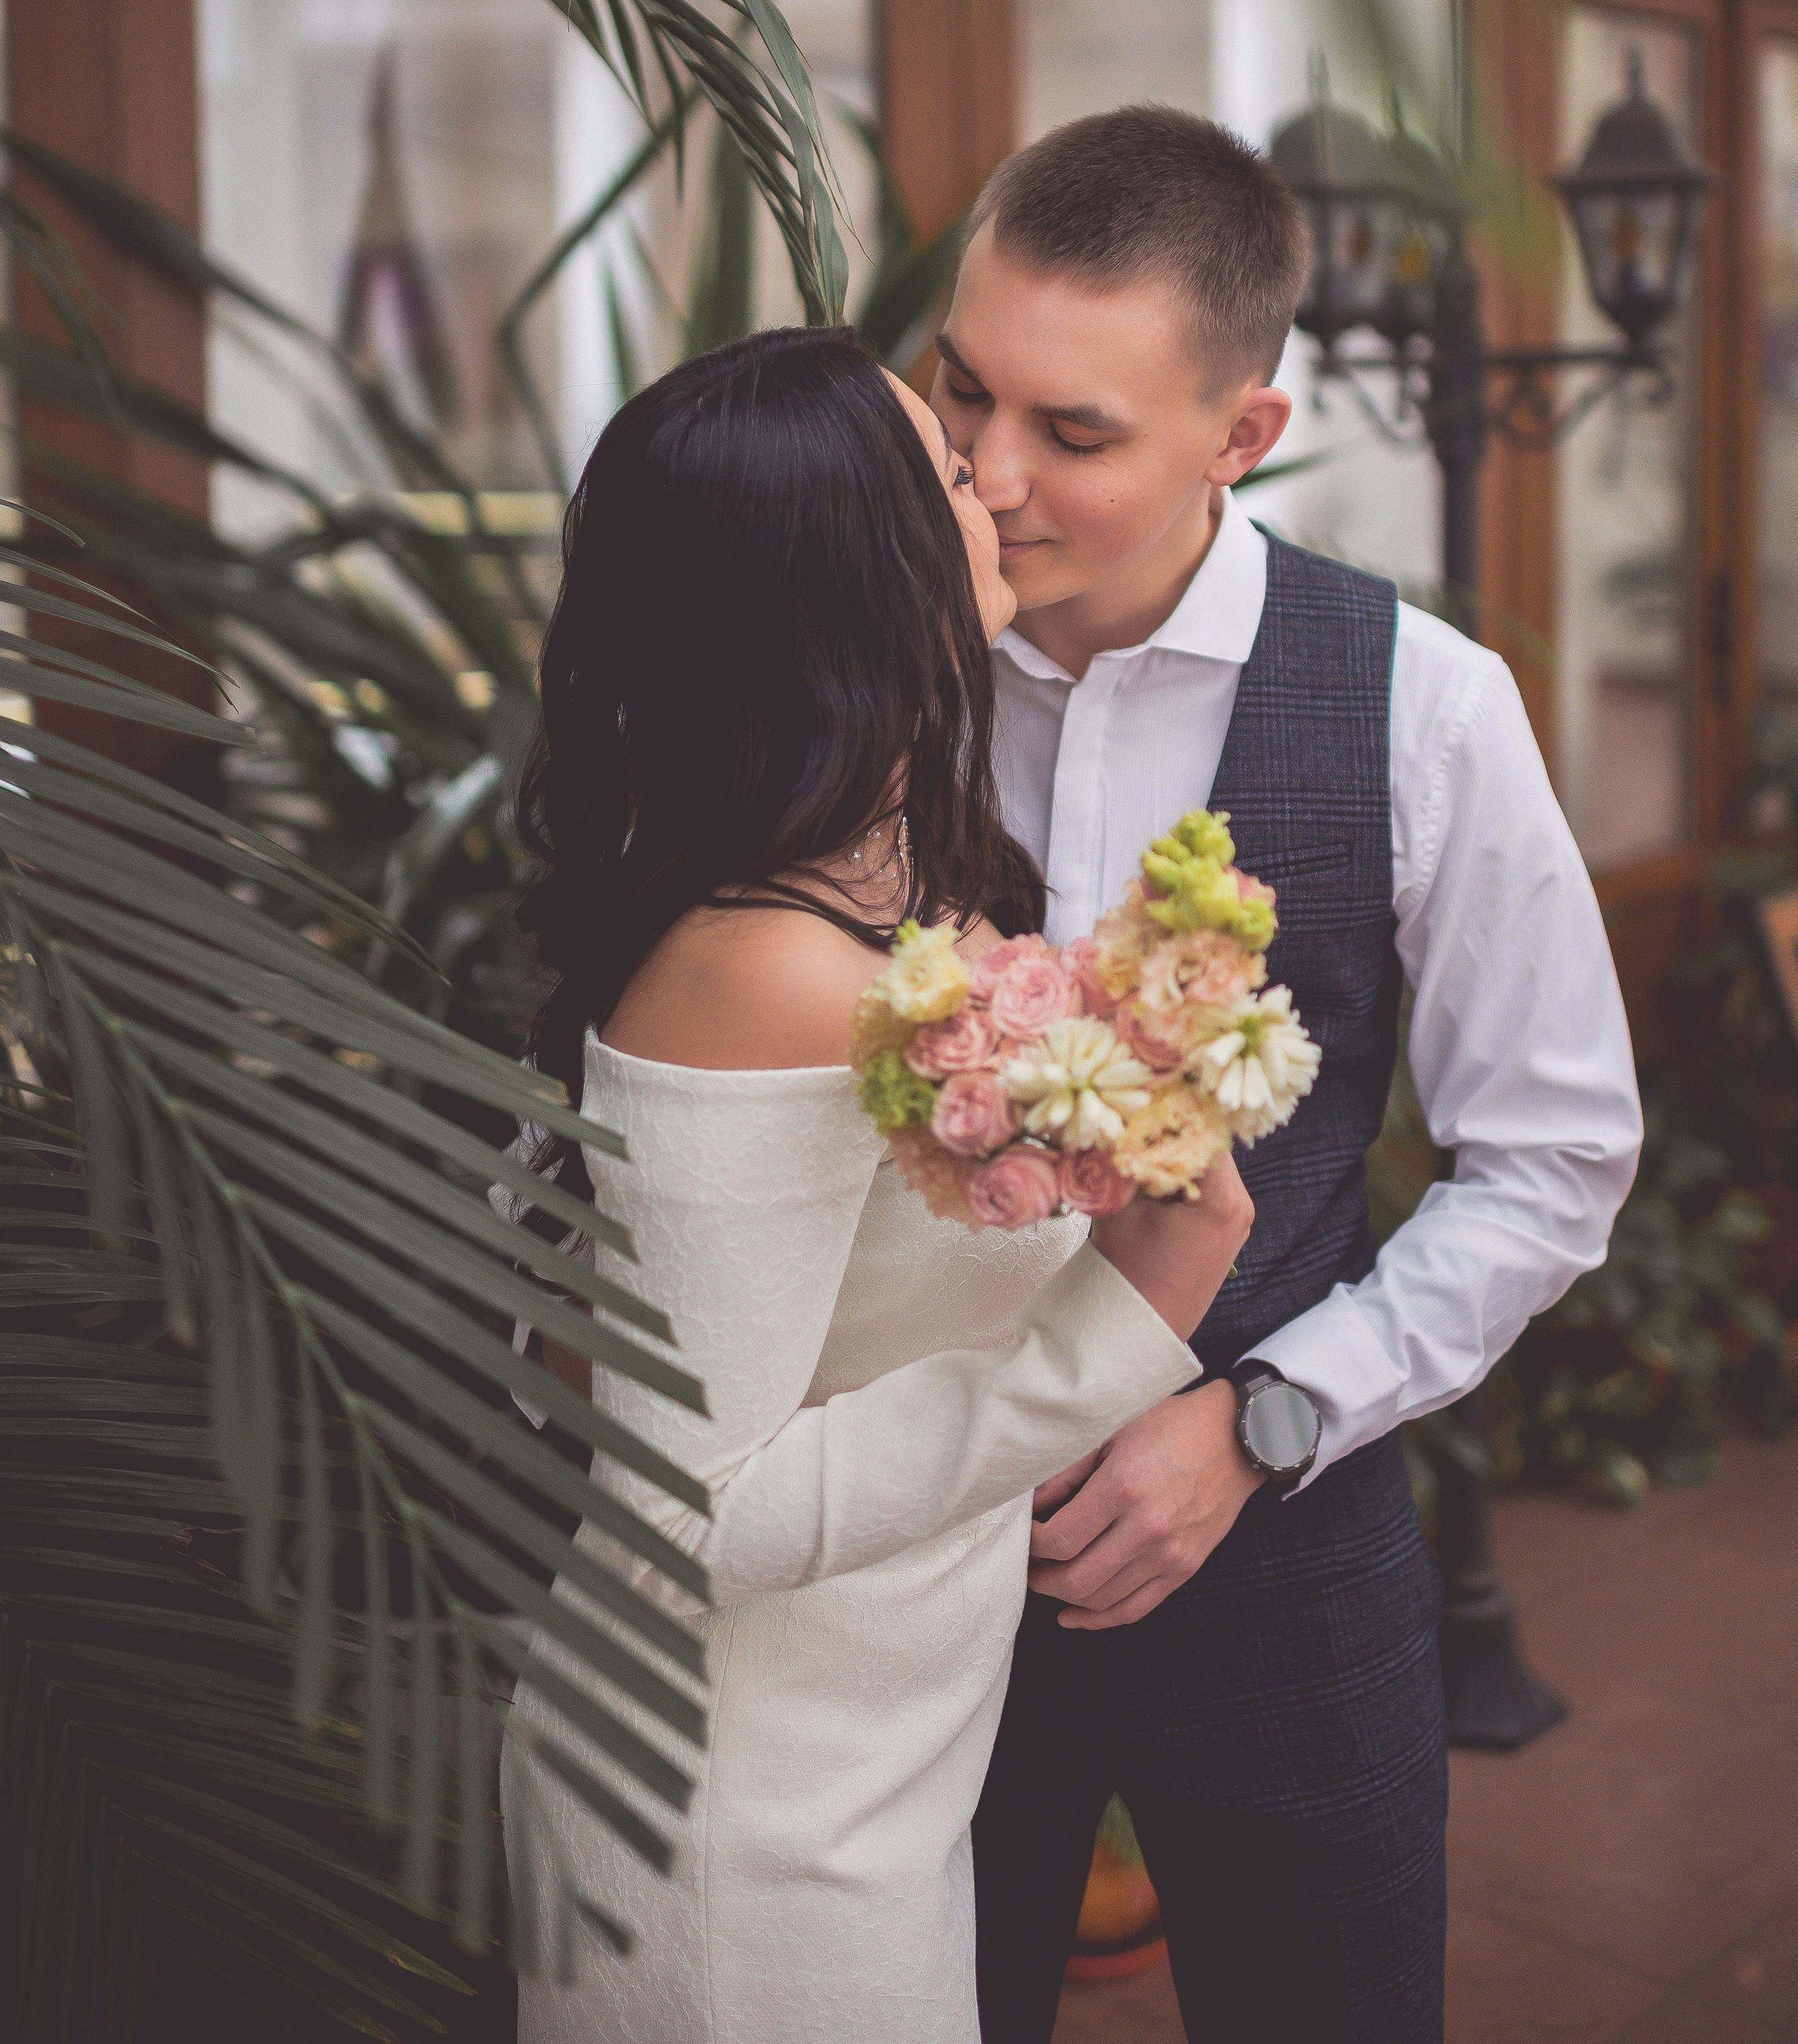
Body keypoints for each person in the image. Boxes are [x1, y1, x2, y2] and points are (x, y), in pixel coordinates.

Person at [933, 106, 1644, 2044]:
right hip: (904, 1557)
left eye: (1074, 433)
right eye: (962, 390)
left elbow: (1554, 1156)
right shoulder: (863, 657)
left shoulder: (1429, 704)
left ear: (1242, 434)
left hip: (1280, 1544)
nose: (991, 475)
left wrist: (1263, 1418)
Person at [502, 325, 1252, 2044]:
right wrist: (1124, 1321)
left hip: (866, 1774)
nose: (994, 480)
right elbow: (690, 1507)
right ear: (846, 570)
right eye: (942, 464)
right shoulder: (757, 964)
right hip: (737, 1837)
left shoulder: (900, 883)